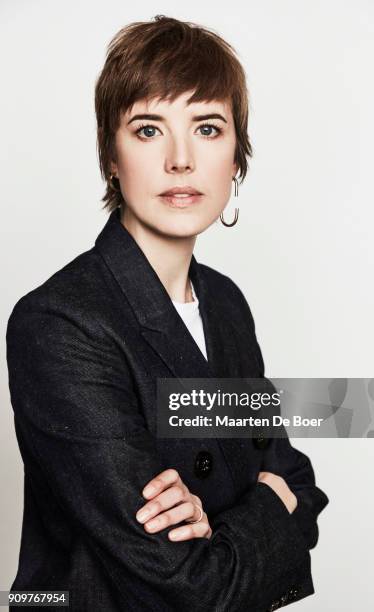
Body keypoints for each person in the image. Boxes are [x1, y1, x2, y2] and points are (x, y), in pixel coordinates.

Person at [6, 15, 329, 612]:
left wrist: (225, 518)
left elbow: (301, 482)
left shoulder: (226, 304)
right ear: (110, 154)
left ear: (237, 158)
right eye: (149, 129)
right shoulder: (58, 323)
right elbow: (187, 587)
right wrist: (266, 503)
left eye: (207, 128)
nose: (181, 160)